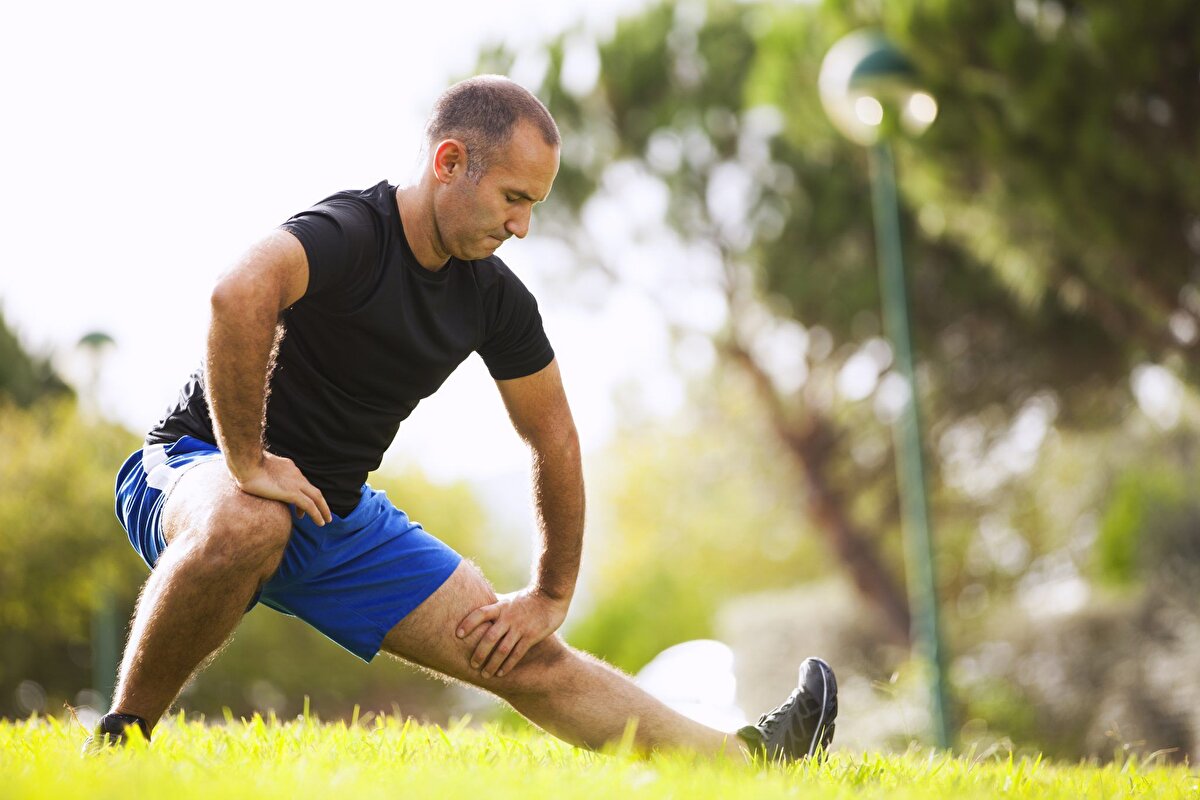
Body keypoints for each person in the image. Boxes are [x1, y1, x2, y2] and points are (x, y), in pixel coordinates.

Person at [85, 75, 838, 761]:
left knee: (520, 652)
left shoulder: (494, 300)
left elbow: (555, 438)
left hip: (332, 516)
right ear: (449, 162)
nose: (522, 227)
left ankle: (753, 760)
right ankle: (122, 740)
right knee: (251, 522)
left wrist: (548, 595)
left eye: (533, 206)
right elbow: (236, 294)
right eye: (513, 197)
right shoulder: (352, 233)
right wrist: (246, 460)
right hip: (196, 470)